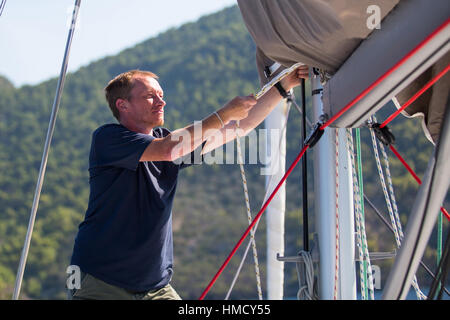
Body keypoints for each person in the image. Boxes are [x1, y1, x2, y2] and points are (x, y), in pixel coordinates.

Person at [68, 65, 309, 300]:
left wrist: (283, 85)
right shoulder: (108, 138)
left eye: (161, 96)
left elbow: (240, 126)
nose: (161, 102)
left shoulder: (169, 140)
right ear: (123, 105)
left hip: (154, 287)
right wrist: (222, 114)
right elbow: (168, 150)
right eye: (150, 97)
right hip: (99, 281)